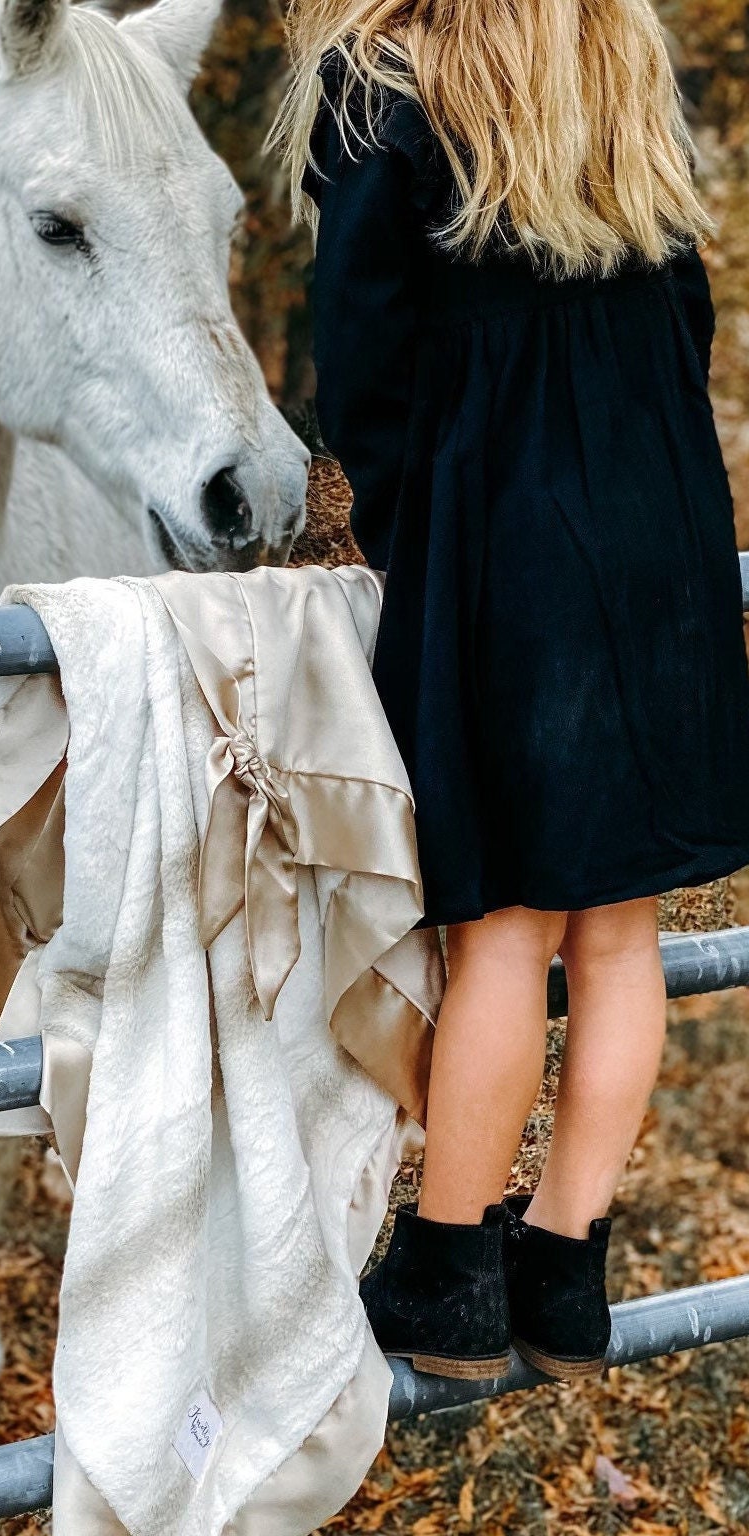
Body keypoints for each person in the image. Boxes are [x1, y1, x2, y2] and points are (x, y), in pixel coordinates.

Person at [272, 0, 749, 1382]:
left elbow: (365, 366)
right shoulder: (617, 76)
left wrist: (421, 530)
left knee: (503, 929)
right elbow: (690, 318)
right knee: (617, 931)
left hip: (511, 548)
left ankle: (448, 1269)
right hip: (661, 533)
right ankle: (568, 1263)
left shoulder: (384, 89)